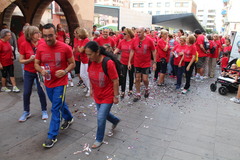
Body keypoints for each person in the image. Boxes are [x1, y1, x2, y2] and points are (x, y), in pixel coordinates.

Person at [34, 23, 75, 148]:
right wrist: (41, 71)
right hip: (48, 82)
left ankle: (52, 136)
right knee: (59, 103)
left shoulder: (65, 48)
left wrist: (65, 71)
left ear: (56, 34)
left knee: (55, 108)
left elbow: (72, 63)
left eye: (50, 36)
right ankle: (69, 118)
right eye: (45, 36)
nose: (48, 39)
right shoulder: (40, 48)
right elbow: (36, 64)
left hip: (60, 83)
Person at [84, 41, 120, 149]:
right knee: (103, 114)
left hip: (108, 95)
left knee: (100, 117)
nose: (88, 57)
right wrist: (91, 89)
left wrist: (116, 96)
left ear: (97, 52)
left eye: (90, 54)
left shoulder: (108, 63)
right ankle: (115, 120)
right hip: (97, 94)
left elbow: (115, 80)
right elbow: (90, 75)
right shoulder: (91, 61)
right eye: (87, 54)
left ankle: (99, 139)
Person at [18, 26, 48, 122]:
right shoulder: (24, 44)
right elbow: (21, 60)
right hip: (29, 71)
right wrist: (29, 59)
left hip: (39, 71)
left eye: (39, 32)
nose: (39, 34)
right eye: (36, 32)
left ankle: (44, 110)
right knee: (26, 92)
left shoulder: (43, 42)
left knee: (41, 91)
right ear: (30, 35)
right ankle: (26, 111)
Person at [128, 27, 156, 102]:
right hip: (137, 62)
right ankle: (138, 94)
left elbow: (153, 51)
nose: (138, 33)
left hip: (146, 63)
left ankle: (147, 88)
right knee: (137, 79)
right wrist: (129, 62)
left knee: (145, 79)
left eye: (140, 32)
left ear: (144, 32)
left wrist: (154, 63)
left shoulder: (149, 40)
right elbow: (132, 51)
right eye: (137, 32)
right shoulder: (134, 40)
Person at [114, 28, 135, 99]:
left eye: (124, 34)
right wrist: (112, 54)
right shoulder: (122, 41)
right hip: (123, 61)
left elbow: (134, 51)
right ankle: (123, 91)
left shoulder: (133, 41)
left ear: (128, 34)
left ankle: (130, 89)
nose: (123, 35)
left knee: (131, 76)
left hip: (132, 62)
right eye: (123, 34)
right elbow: (118, 48)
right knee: (123, 76)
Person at [76, 28, 90, 96]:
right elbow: (79, 48)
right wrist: (79, 48)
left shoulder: (86, 40)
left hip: (86, 60)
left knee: (86, 75)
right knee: (82, 75)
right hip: (82, 60)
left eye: (78, 33)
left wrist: (79, 48)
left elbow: (81, 50)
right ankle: (87, 86)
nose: (77, 35)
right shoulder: (81, 40)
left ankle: (89, 88)